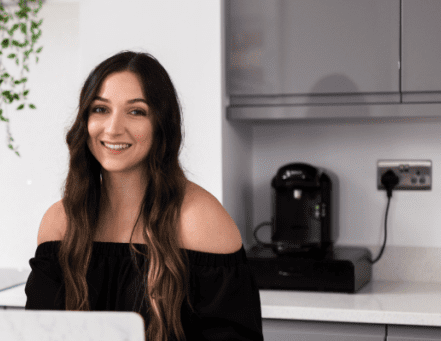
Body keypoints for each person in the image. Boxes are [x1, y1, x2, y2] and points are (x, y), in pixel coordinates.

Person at [24, 51, 263, 341]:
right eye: (100, 109)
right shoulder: (59, 223)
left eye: (136, 111)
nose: (113, 129)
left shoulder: (199, 220)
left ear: (161, 125)